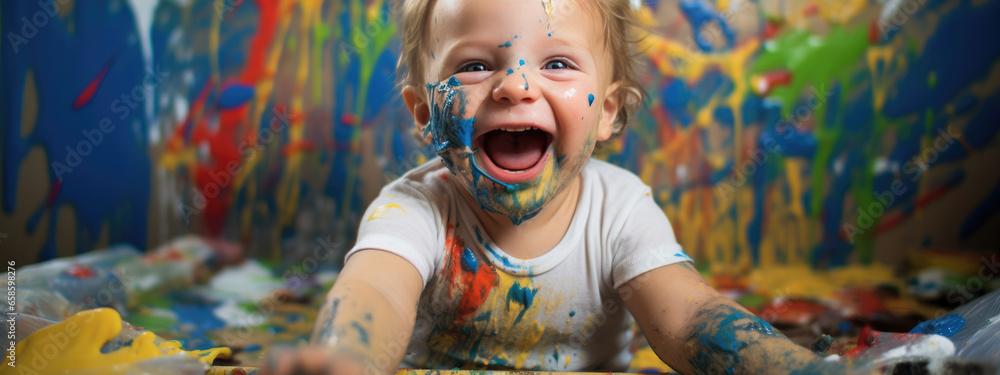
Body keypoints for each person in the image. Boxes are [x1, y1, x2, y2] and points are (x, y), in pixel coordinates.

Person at [265, 0, 827, 373]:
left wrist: (786, 364)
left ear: (607, 111)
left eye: (557, 62)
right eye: (475, 66)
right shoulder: (416, 209)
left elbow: (688, 318)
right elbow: (376, 293)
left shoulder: (621, 209)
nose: (514, 85)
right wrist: (347, 358)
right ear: (424, 113)